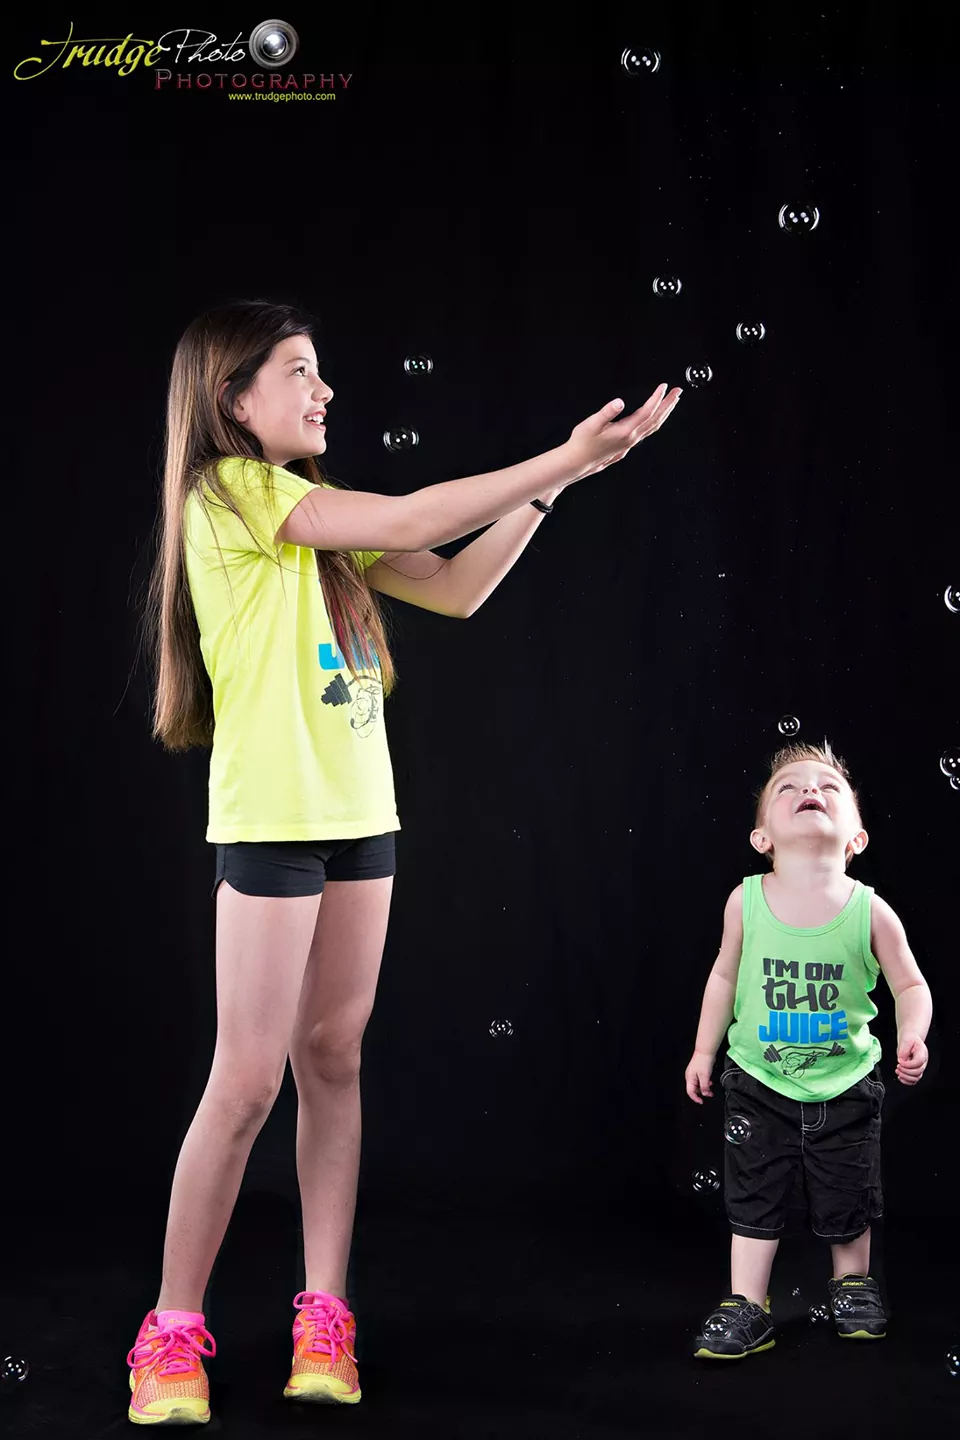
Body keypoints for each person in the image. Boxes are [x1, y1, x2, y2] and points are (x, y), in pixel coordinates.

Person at [127, 298, 682, 1424]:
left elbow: (458, 584)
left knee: (332, 1056)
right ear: (233, 398)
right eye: (299, 372)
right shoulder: (230, 493)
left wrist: (558, 486)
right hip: (272, 822)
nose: (324, 390)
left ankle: (323, 1316)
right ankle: (171, 1332)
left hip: (360, 819)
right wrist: (562, 453)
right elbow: (423, 509)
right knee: (248, 1080)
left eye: (320, 371)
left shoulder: (323, 528)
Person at [684, 741, 932, 1359]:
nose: (809, 791)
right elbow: (723, 977)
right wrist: (703, 1052)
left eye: (827, 787)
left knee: (849, 1189)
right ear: (762, 837)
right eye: (788, 788)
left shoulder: (870, 910)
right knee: (753, 1191)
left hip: (845, 1083)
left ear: (857, 838)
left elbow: (909, 985)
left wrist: (912, 1032)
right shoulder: (745, 900)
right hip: (758, 1079)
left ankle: (852, 1284)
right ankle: (747, 1302)